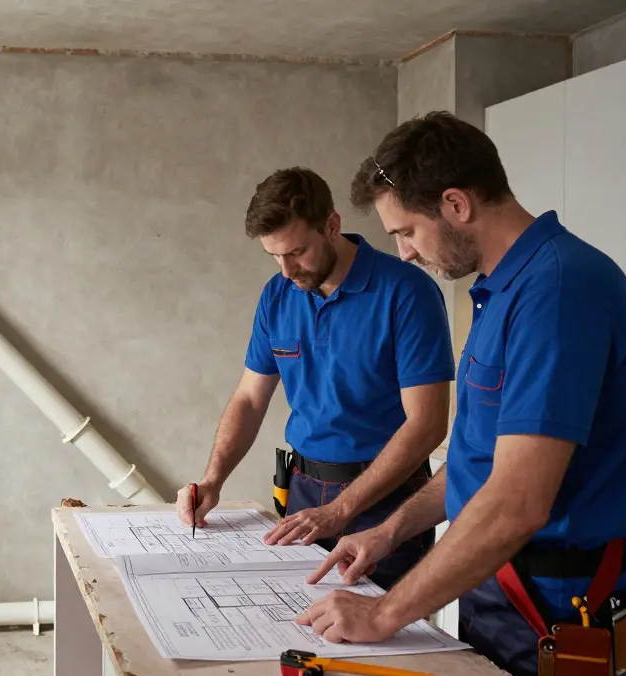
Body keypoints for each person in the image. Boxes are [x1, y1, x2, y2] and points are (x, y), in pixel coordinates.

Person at [296, 111, 626, 676]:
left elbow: (517, 501)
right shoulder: (502, 291)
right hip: (499, 588)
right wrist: (387, 531)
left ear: (457, 204)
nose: (406, 253)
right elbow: (479, 465)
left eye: (407, 231)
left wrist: (386, 611)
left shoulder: (559, 292)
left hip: (557, 607)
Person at [176, 167, 454, 590]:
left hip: (386, 500)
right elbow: (250, 399)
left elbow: (428, 424)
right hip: (303, 492)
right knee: (300, 631)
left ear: (332, 225)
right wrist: (213, 479)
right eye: (275, 256)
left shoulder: (407, 293)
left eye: (297, 251)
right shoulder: (277, 295)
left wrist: (341, 510)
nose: (286, 270)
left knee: (384, 644)